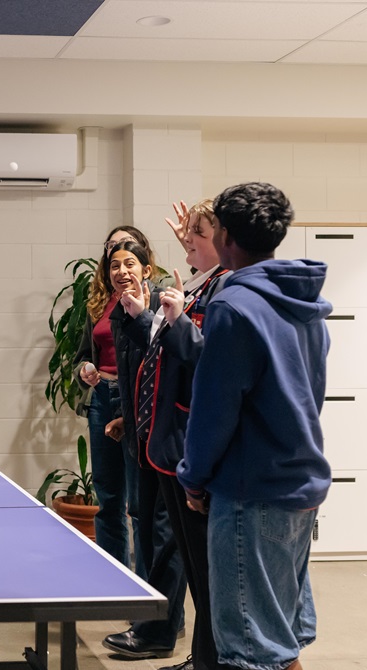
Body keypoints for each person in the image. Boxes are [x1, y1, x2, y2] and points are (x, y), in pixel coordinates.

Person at [178, 182, 332, 670]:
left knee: (252, 649)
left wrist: (194, 476)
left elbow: (214, 407)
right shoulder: (307, 305)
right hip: (298, 484)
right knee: (276, 641)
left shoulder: (233, 307)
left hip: (250, 490)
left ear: (225, 237)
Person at [113, 200, 230, 670]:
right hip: (166, 446)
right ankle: (202, 657)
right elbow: (168, 353)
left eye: (195, 233)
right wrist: (146, 318)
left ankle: (209, 660)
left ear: (223, 240)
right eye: (184, 234)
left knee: (206, 575)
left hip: (189, 448)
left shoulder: (226, 288)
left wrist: (176, 319)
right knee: (198, 573)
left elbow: (208, 361)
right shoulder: (200, 284)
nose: (185, 239)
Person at [98, 240, 187, 663]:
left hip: (168, 442)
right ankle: (156, 619)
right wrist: (124, 419)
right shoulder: (120, 315)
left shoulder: (164, 310)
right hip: (140, 439)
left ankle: (160, 629)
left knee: (165, 536)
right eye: (114, 266)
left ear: (147, 270)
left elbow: (173, 364)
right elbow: (130, 379)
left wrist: (148, 316)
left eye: (129, 264)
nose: (121, 271)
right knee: (147, 532)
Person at [74, 225, 164, 576]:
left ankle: (146, 588)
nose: (121, 269)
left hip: (139, 405)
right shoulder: (98, 302)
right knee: (108, 498)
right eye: (113, 257)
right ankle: (114, 580)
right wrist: (86, 369)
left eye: (129, 257)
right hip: (102, 398)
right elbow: (84, 354)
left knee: (141, 503)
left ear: (144, 262)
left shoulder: (156, 300)